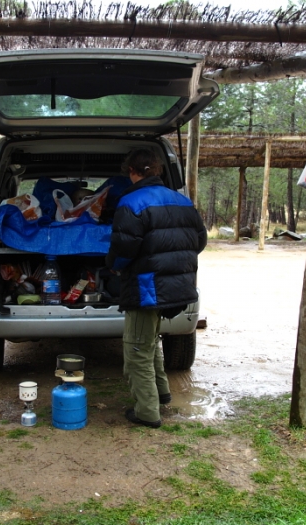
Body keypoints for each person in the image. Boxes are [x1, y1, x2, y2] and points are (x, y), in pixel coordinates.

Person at [105, 148, 207, 428]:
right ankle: (161, 393)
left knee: (137, 350)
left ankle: (147, 412)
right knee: (149, 342)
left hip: (146, 287)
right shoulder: (183, 201)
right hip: (176, 284)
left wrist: (112, 265)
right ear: (159, 170)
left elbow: (124, 248)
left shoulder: (131, 202)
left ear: (132, 172)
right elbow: (199, 241)